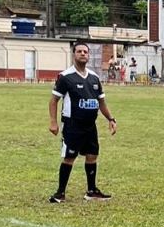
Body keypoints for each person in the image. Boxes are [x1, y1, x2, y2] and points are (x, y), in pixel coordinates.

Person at [48, 42, 117, 202]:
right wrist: (53, 122)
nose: (83, 54)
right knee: (69, 157)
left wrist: (111, 119)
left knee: (92, 155)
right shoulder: (65, 77)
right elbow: (53, 101)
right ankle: (60, 193)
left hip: (90, 125)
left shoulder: (94, 78)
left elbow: (101, 102)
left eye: (85, 51)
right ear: (74, 54)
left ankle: (91, 191)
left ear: (89, 55)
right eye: (79, 51)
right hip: (73, 125)